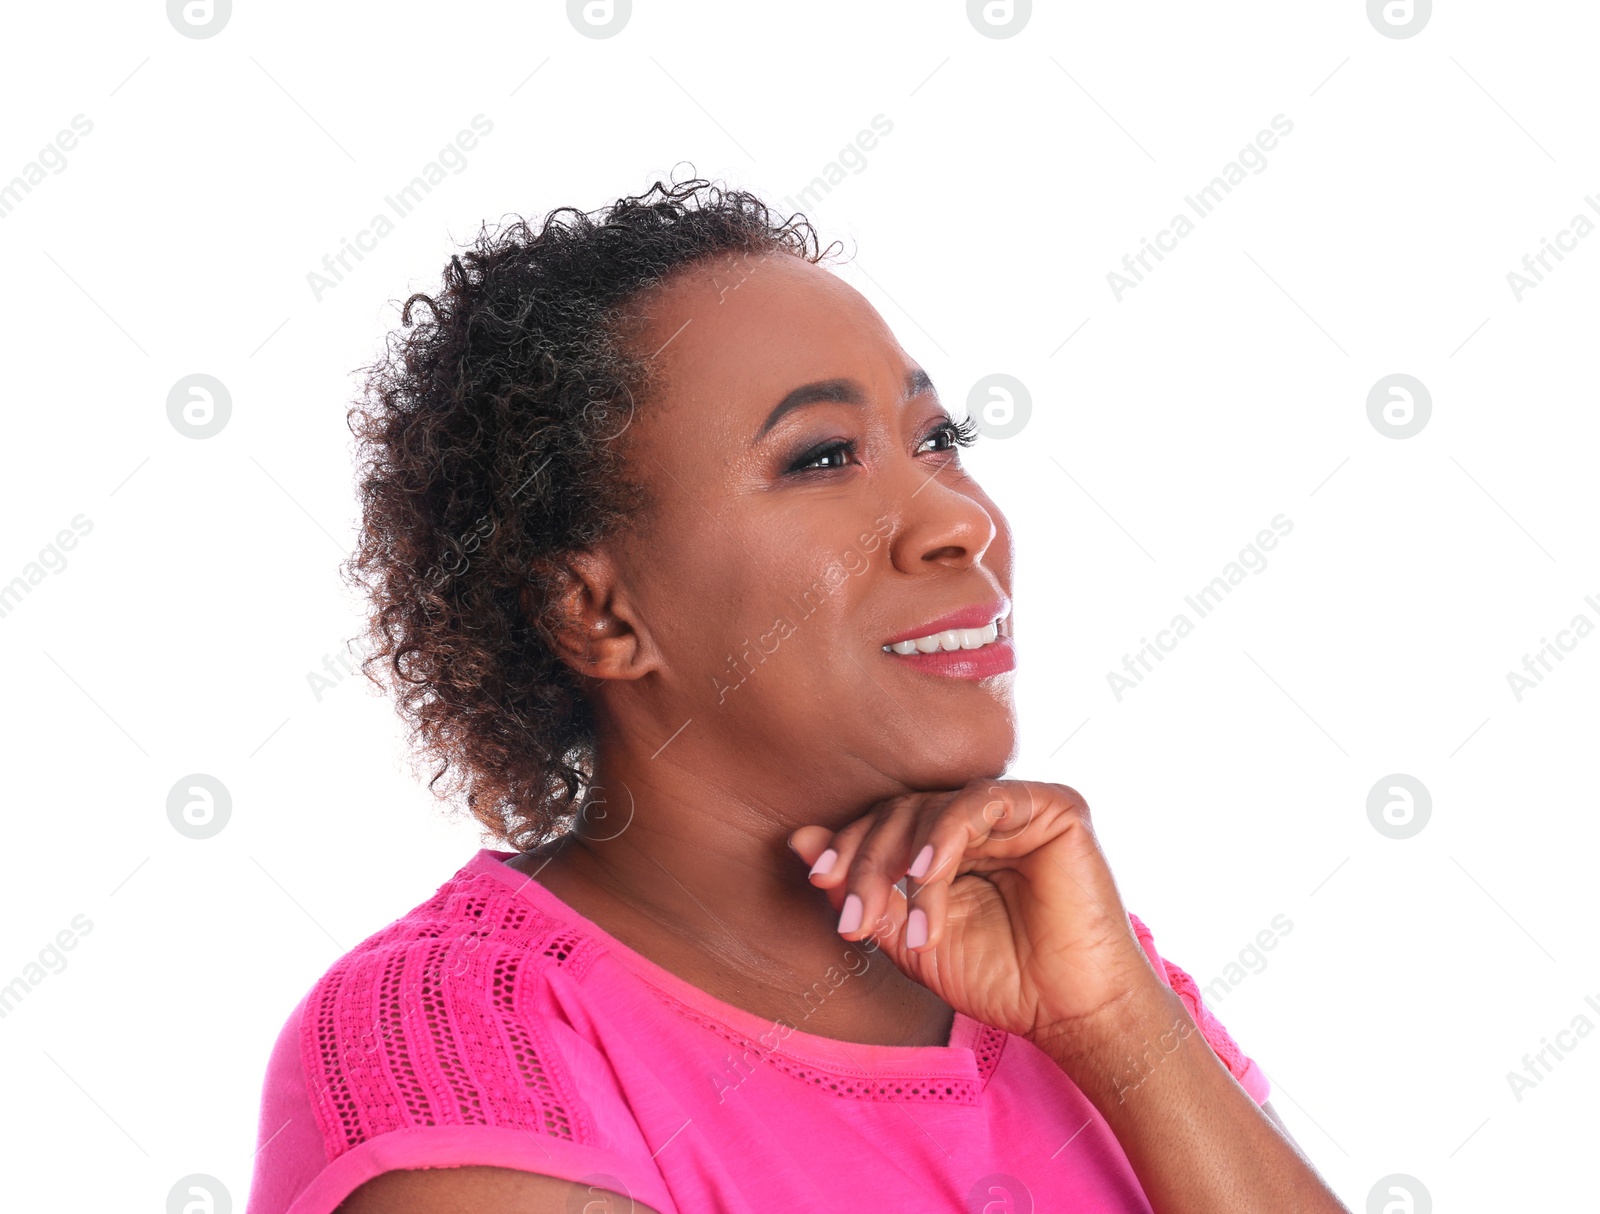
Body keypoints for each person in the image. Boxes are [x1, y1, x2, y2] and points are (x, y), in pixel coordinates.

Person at [244, 175, 1350, 1213]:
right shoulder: (456, 1035)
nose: (960, 519)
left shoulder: (1073, 961)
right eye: (823, 457)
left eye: (938, 439)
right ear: (598, 612)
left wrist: (1117, 1026)